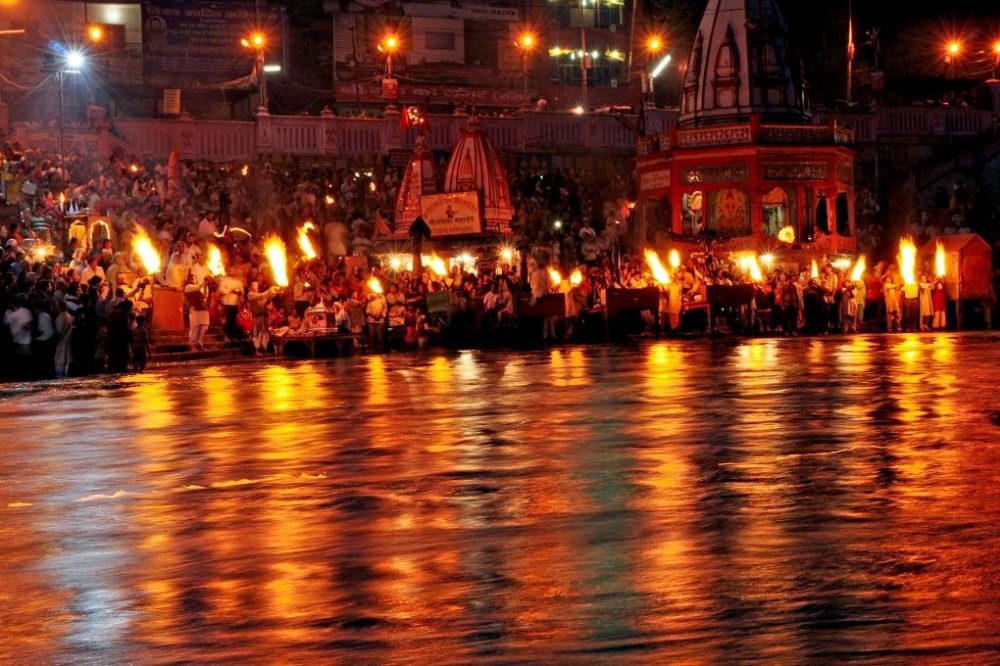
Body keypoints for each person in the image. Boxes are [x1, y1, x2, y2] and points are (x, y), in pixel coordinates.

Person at [248, 280, 281, 355]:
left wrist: (275, 291)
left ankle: (264, 349)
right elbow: (260, 296)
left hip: (264, 316)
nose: (256, 287)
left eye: (256, 285)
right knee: (258, 334)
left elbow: (266, 298)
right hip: (257, 317)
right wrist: (270, 290)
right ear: (250, 287)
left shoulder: (261, 294)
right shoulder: (250, 294)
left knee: (265, 334)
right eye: (254, 285)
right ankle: (257, 350)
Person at [4, 296, 34, 377]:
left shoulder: (22, 312)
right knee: (20, 361)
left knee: (25, 361)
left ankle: (27, 377)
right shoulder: (12, 313)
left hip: (25, 341)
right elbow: (6, 324)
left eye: (10, 304)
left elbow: (28, 325)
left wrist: (23, 326)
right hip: (17, 340)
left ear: (13, 304)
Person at [184, 272, 210, 350]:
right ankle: (192, 344)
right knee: (195, 327)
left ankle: (199, 342)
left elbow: (205, 296)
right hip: (194, 309)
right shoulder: (187, 287)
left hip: (203, 309)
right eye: (191, 279)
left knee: (204, 326)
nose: (193, 280)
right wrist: (204, 282)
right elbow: (197, 287)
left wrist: (206, 285)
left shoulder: (198, 287)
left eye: (193, 278)